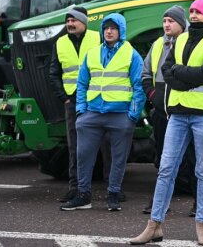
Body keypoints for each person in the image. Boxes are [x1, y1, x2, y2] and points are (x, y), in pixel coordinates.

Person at [130, 0, 203, 246]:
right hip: (178, 113)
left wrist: (182, 77)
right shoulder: (181, 38)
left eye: (199, 11)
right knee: (166, 169)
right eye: (192, 11)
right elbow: (167, 70)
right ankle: (154, 225)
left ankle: (202, 226)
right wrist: (186, 78)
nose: (194, 15)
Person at [60, 13, 146, 212]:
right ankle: (83, 195)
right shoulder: (92, 53)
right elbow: (81, 84)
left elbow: (139, 87)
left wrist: (132, 115)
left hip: (120, 114)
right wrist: (81, 110)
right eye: (106, 28)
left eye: (113, 28)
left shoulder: (131, 54)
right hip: (92, 114)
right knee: (83, 155)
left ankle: (113, 194)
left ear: (121, 31)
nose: (108, 31)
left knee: (118, 157)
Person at [140, 5, 197, 216]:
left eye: (171, 21)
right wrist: (153, 96)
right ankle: (159, 202)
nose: (166, 25)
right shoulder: (157, 44)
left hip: (186, 111)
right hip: (162, 112)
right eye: (164, 21)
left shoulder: (192, 43)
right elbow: (146, 73)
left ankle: (198, 202)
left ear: (182, 24)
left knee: (193, 159)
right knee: (164, 160)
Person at [49, 7, 100, 202]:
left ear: (84, 22)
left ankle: (113, 188)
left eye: (74, 20)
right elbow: (53, 73)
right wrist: (64, 97)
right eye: (68, 20)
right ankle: (74, 187)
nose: (70, 24)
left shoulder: (97, 37)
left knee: (105, 143)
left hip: (96, 98)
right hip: (72, 100)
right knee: (74, 145)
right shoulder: (60, 43)